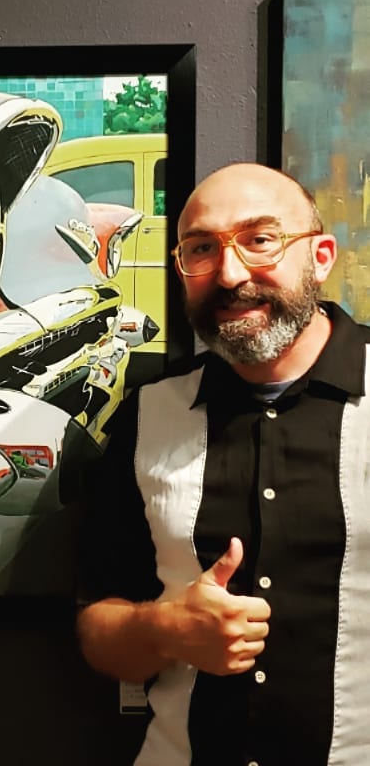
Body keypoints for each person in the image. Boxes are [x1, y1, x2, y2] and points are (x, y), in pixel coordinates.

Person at [76, 162, 370, 766]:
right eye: (201, 248)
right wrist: (167, 629)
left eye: (260, 240)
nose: (230, 273)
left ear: (320, 257)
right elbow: (97, 627)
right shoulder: (148, 415)